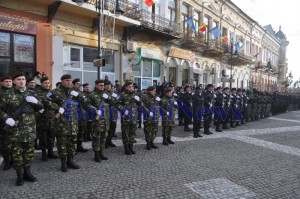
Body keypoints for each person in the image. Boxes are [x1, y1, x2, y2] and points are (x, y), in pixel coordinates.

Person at [0, 73, 43, 186]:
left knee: (29, 153)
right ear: (14, 82)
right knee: (17, 154)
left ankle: (27, 173)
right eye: (18, 79)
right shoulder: (7, 94)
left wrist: (37, 102)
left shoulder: (32, 93)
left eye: (23, 79)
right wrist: (6, 118)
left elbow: (42, 107)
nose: (21, 81)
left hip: (29, 129)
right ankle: (19, 175)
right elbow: (1, 110)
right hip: (15, 130)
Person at [49, 74, 86, 172]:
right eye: (67, 80)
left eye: (70, 80)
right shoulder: (54, 92)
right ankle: (63, 163)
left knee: (72, 143)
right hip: (61, 123)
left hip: (73, 122)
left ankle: (71, 161)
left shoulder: (74, 92)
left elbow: (85, 102)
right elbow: (45, 101)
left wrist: (78, 95)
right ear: (62, 81)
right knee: (62, 144)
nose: (69, 82)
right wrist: (57, 108)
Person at [35, 77, 59, 161]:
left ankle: (51, 152)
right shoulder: (37, 93)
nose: (47, 84)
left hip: (52, 119)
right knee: (43, 138)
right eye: (45, 83)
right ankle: (44, 154)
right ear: (41, 84)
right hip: (42, 120)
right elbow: (38, 105)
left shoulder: (52, 93)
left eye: (48, 83)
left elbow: (57, 103)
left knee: (51, 137)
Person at [88, 79, 112, 162]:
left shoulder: (105, 94)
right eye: (100, 85)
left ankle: (101, 153)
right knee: (96, 138)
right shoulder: (92, 95)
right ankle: (96, 155)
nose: (102, 87)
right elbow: (87, 105)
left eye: (103, 85)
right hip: (97, 121)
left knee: (103, 138)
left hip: (105, 120)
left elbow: (113, 102)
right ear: (96, 85)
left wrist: (109, 97)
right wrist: (94, 110)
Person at [117, 82, 141, 155]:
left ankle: (131, 147)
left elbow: (140, 104)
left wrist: (139, 101)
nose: (131, 88)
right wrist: (123, 109)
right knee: (126, 133)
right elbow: (117, 104)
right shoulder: (122, 95)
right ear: (126, 87)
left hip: (133, 117)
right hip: (126, 117)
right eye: (130, 87)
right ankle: (126, 148)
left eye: (132, 87)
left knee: (132, 133)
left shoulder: (134, 95)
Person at [0, 76, 13, 170]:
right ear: (1, 82)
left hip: (15, 121)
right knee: (4, 143)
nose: (8, 83)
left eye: (10, 81)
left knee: (14, 141)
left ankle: (14, 159)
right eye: (6, 81)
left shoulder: (15, 91)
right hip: (2, 122)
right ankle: (7, 161)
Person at [72, 78, 88, 153]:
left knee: (81, 131)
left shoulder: (81, 93)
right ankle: (73, 148)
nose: (79, 85)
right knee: (74, 132)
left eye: (80, 84)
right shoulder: (70, 92)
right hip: (73, 115)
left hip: (81, 114)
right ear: (73, 84)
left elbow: (85, 103)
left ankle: (79, 146)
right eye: (77, 84)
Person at [142, 86, 160, 150]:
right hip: (148, 117)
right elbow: (142, 106)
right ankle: (148, 143)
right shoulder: (145, 97)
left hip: (155, 117)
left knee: (154, 130)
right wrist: (148, 112)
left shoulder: (156, 97)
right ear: (149, 91)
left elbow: (158, 106)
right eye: (153, 90)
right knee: (148, 130)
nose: (154, 91)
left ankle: (152, 142)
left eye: (155, 90)